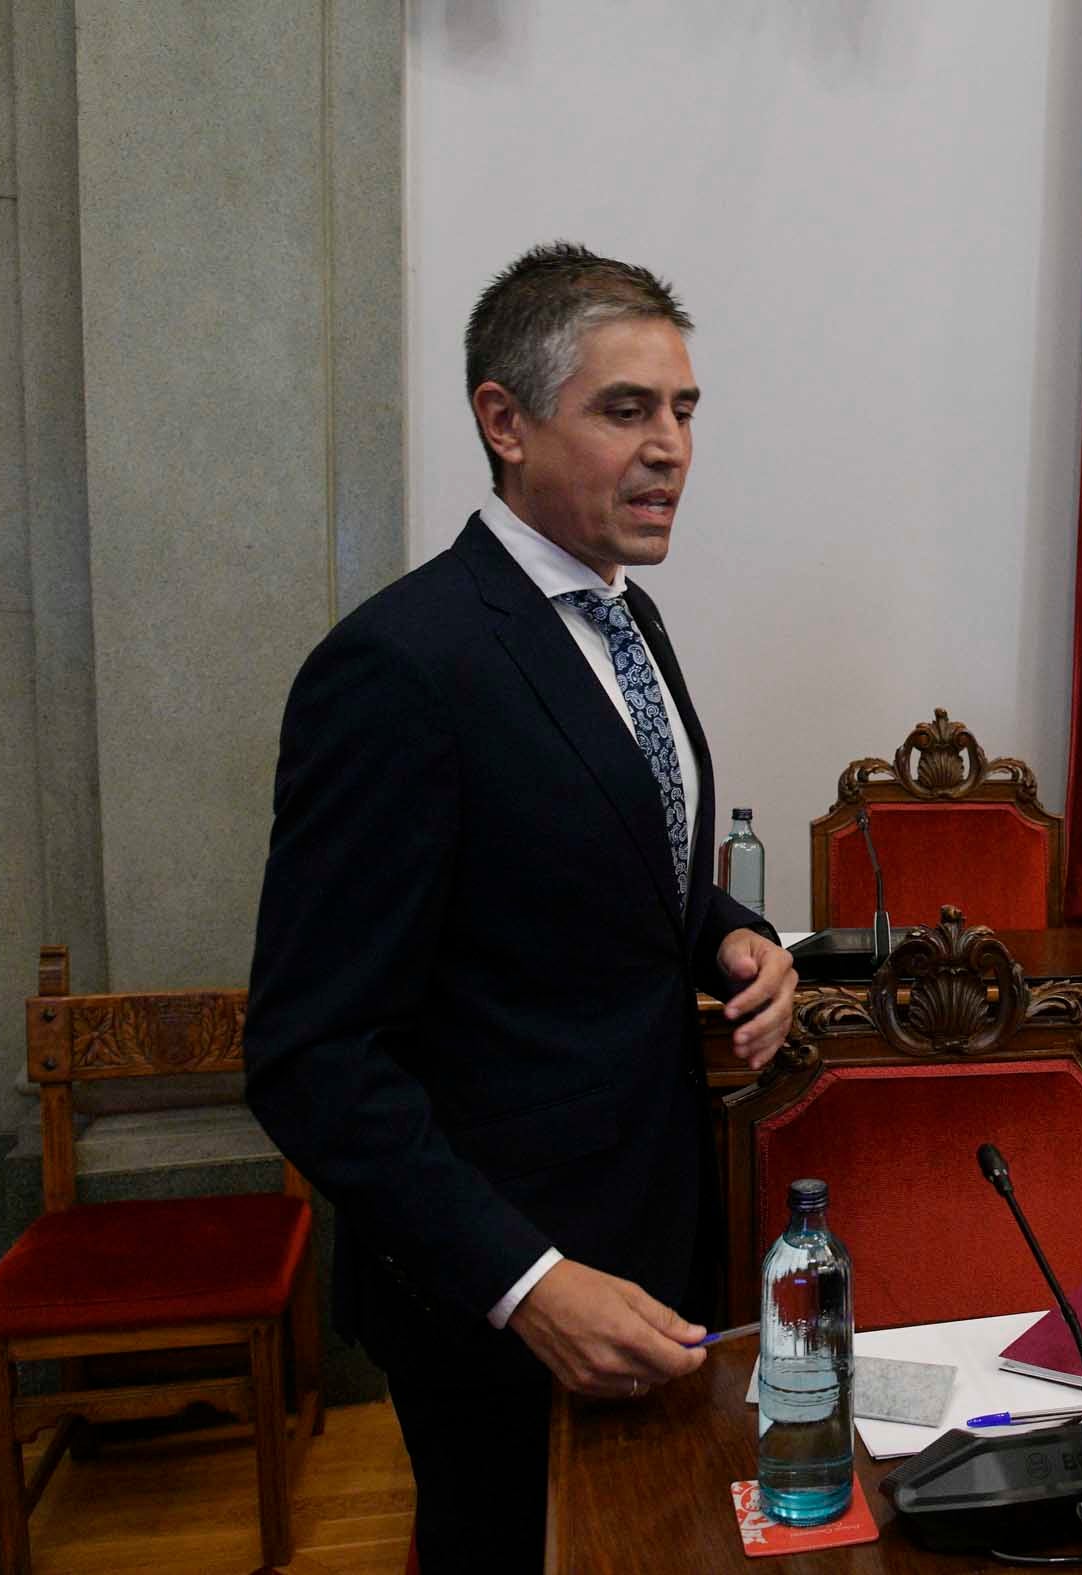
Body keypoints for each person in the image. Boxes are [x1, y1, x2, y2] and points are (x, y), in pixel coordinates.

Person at [242, 243, 797, 1572]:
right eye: (626, 410)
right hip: (498, 1283)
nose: (669, 447)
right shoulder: (399, 664)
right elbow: (311, 1053)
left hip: (659, 1226)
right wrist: (525, 1279)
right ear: (504, 420)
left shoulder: (630, 620)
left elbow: (606, 868)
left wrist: (728, 930)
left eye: (684, 410)